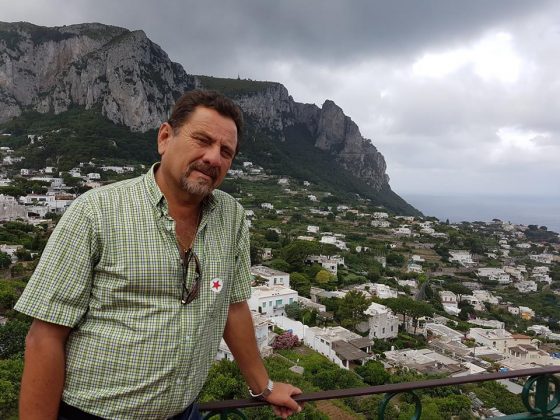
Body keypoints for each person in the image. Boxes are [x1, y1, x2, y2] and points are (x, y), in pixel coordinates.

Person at [15, 90, 302, 420]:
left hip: (184, 413)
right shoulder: (96, 212)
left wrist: (264, 386)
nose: (213, 158)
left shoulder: (232, 217)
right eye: (202, 140)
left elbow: (233, 307)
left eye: (226, 152)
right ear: (165, 137)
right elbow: (45, 337)